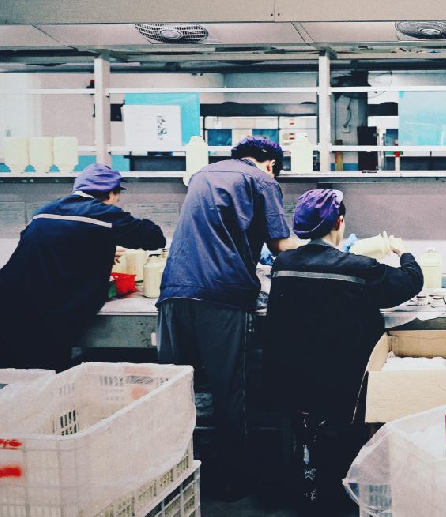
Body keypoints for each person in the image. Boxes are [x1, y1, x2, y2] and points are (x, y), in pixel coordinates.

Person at [156, 136, 300, 498]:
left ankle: (169, 478)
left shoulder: (202, 174)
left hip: (174, 291)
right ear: (271, 163)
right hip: (222, 295)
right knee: (230, 391)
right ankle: (234, 480)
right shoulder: (262, 180)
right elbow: (280, 246)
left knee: (173, 391)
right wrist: (325, 246)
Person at [264, 188, 423, 512]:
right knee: (339, 443)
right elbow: (410, 281)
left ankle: (309, 487)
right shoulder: (358, 268)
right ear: (339, 222)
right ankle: (336, 495)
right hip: (342, 383)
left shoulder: (283, 264)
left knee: (308, 437)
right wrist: (403, 251)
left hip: (292, 380)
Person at [0, 163, 165, 371]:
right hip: (44, 313)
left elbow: (45, 247)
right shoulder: (103, 214)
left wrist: (99, 250)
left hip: (8, 301)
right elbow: (154, 237)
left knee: (13, 379)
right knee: (44, 377)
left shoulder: (45, 211)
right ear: (111, 193)